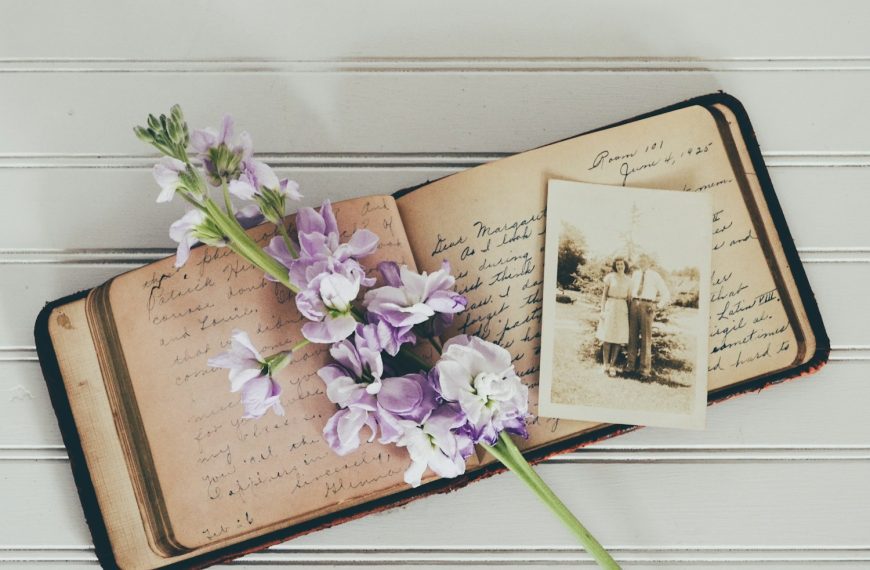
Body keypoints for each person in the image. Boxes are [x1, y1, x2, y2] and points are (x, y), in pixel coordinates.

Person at [626, 257, 671, 378]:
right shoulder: (635, 274)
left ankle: (644, 371)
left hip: (647, 306)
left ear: (649, 263)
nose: (642, 263)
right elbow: (630, 290)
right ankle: (630, 367)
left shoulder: (655, 275)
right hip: (634, 304)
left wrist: (657, 306)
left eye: (644, 261)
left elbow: (666, 294)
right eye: (640, 261)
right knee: (632, 337)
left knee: (646, 339)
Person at [596, 257, 631, 377]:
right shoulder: (610, 277)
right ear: (615, 266)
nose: (620, 266)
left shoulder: (628, 280)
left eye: (622, 264)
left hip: (622, 308)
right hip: (610, 306)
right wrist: (602, 310)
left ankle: (612, 365)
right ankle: (605, 364)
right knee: (607, 336)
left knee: (618, 338)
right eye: (617, 264)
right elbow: (604, 296)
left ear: (625, 265)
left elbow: (630, 298)